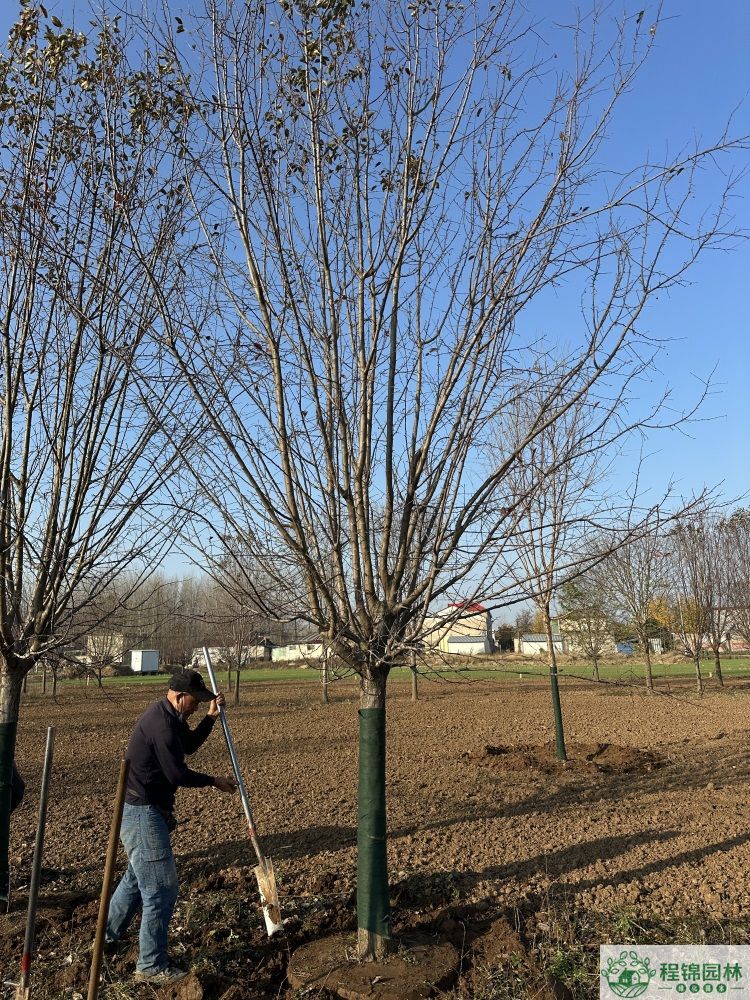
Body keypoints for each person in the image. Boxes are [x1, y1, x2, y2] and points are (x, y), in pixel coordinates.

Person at [106, 668, 237, 985]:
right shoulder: (162, 725)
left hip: (142, 809)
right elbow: (178, 774)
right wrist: (214, 781)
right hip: (142, 814)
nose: (195, 706)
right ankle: (150, 966)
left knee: (136, 880)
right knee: (161, 889)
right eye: (195, 701)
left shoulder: (170, 716)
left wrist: (209, 717)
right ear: (180, 697)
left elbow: (188, 745)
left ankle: (106, 937)